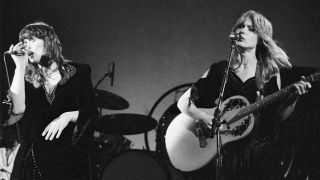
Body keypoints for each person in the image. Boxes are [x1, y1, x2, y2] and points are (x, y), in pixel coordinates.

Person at [177, 10, 312, 180]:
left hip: (260, 154)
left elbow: (276, 118)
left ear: (261, 37)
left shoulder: (270, 73)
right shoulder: (220, 70)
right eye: (240, 26)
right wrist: (204, 117)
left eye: (251, 28)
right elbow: (183, 102)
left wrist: (293, 100)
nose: (242, 30)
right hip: (226, 155)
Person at [6, 21, 98, 179]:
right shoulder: (25, 79)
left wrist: (68, 116)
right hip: (33, 162)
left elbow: (92, 114)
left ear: (48, 41)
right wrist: (19, 67)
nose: (25, 45)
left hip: (68, 161)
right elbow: (17, 110)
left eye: (31, 40)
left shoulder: (79, 72)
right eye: (23, 42)